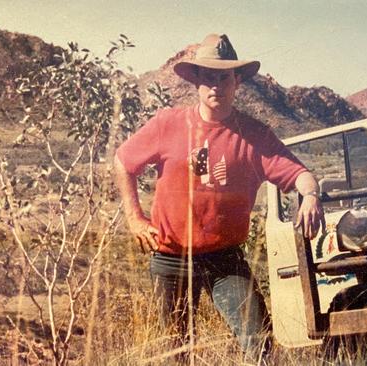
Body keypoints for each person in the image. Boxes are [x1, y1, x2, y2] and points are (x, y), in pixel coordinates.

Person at [114, 33, 324, 362]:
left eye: (223, 77)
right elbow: (123, 162)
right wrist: (134, 218)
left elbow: (300, 174)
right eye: (208, 77)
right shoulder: (167, 124)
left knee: (260, 347)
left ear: (236, 80)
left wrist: (310, 196)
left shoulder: (254, 135)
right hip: (170, 257)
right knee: (175, 353)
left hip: (224, 260)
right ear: (197, 80)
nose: (216, 85)